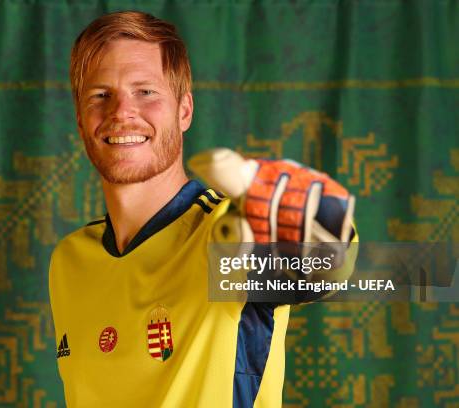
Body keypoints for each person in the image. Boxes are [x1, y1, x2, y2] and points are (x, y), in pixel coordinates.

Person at [49, 11, 356, 407]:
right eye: (100, 95)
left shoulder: (224, 236)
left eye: (146, 92)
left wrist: (316, 219)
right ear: (79, 119)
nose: (121, 111)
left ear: (184, 110)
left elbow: (329, 265)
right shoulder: (69, 261)